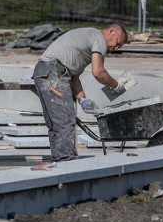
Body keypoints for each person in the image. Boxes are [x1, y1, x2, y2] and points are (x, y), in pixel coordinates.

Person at [32, 23, 129, 164]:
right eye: (118, 42)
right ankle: (66, 163)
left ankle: (60, 160)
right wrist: (116, 85)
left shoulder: (86, 41)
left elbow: (74, 76)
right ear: (111, 31)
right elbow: (98, 72)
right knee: (65, 122)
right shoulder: (99, 38)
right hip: (53, 72)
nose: (116, 48)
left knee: (56, 123)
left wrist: (82, 98)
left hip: (46, 72)